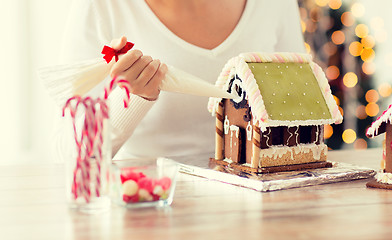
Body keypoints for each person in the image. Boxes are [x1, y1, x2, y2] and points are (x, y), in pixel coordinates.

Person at [55, 0, 306, 161]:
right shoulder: (101, 7)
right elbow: (72, 153)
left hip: (258, 206)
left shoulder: (275, 4)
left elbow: (300, 110)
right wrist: (132, 97)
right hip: (146, 204)